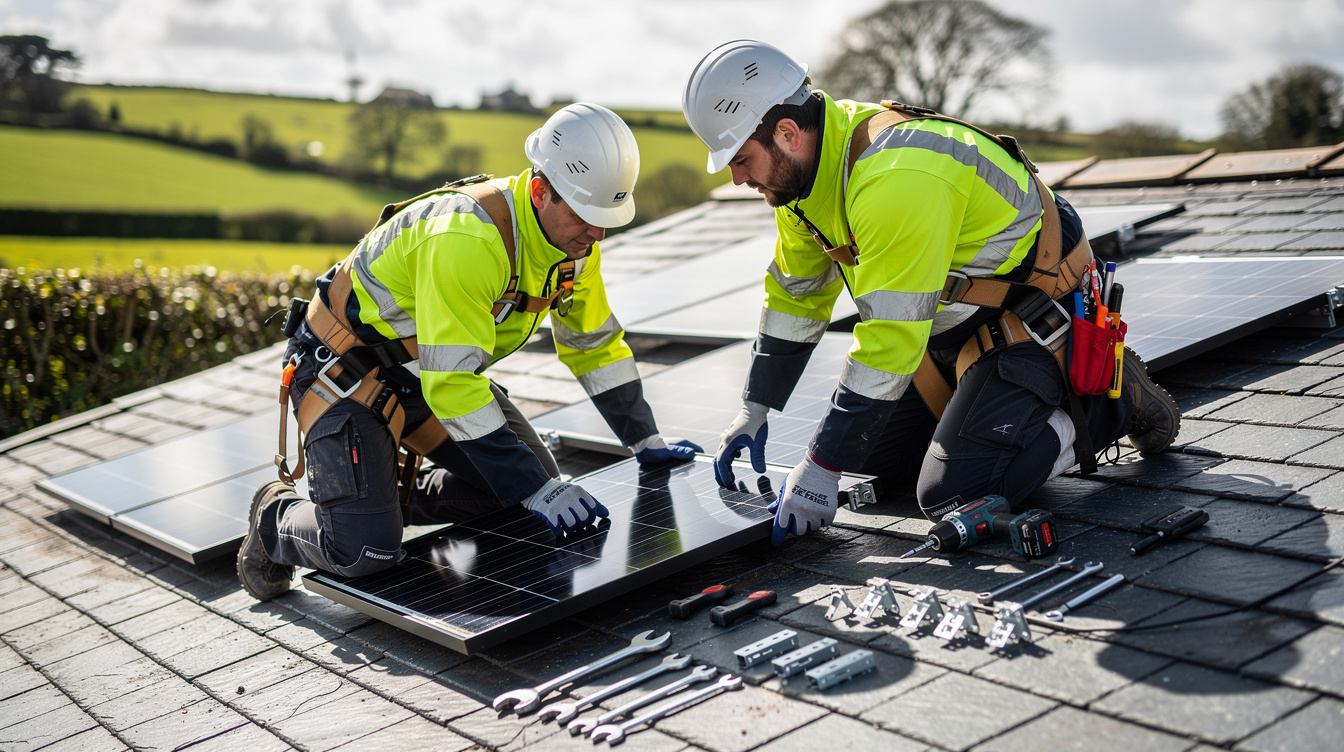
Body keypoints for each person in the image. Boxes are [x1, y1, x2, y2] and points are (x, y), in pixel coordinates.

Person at [680, 40, 1180, 546]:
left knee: (954, 494)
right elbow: (796, 296)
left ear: (787, 133)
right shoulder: (802, 186)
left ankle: (1101, 409)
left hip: (1036, 316)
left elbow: (890, 338)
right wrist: (756, 408)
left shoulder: (895, 176)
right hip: (953, 327)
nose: (736, 177)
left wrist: (820, 468)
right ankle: (990, 416)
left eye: (741, 159)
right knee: (873, 459)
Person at [238, 103, 700, 600]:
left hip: (430, 375)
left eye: (607, 219)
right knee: (365, 552)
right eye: (588, 216)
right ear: (541, 190)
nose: (598, 234)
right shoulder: (468, 237)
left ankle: (376, 497)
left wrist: (643, 439)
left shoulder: (575, 249)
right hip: (347, 375)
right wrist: (536, 487)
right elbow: (454, 383)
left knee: (520, 495)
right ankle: (276, 516)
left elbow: (593, 345)